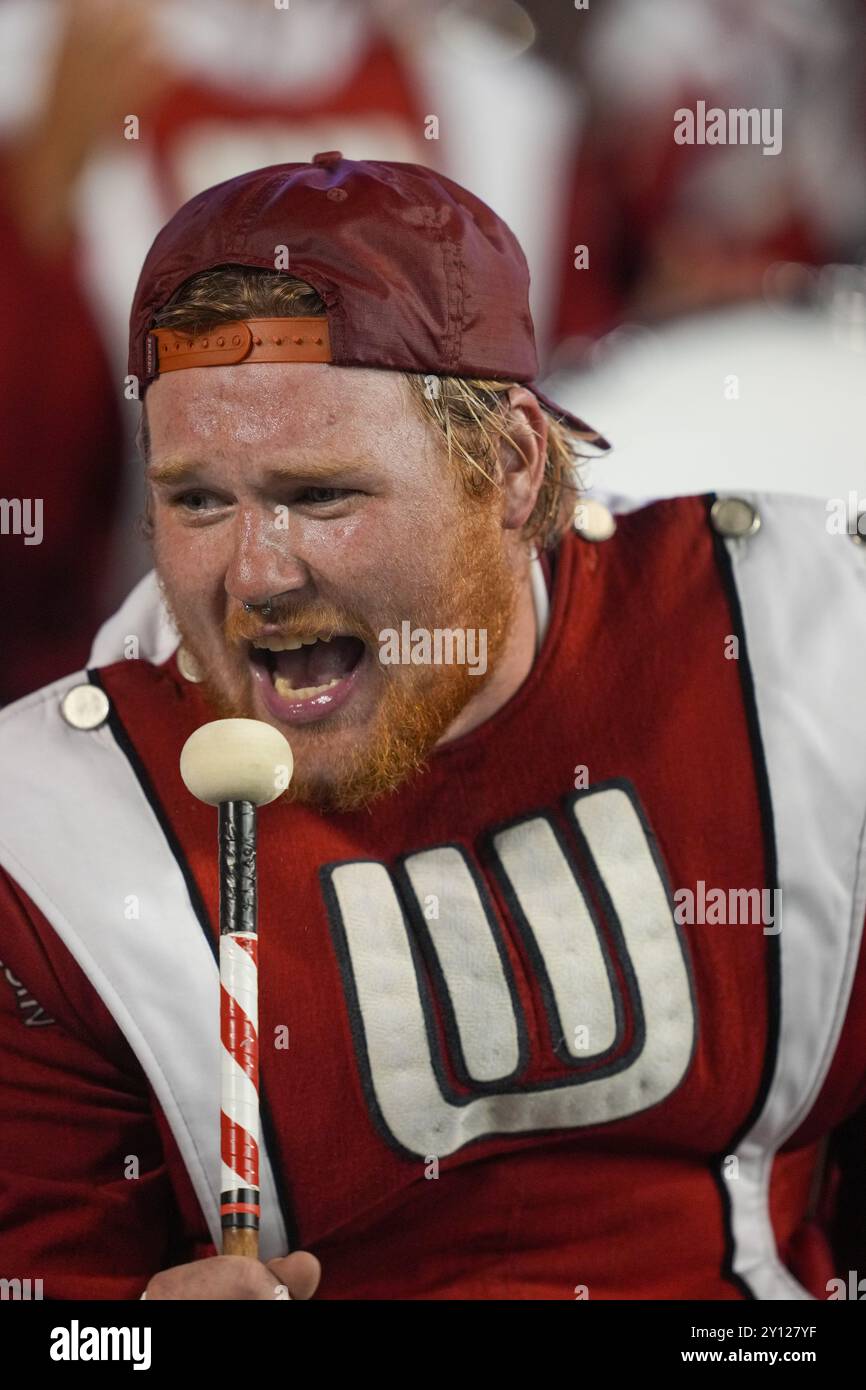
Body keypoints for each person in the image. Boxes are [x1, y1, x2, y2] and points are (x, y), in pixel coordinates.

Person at [0, 154, 864, 1302]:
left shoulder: (803, 642)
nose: (252, 576)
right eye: (197, 498)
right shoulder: (54, 835)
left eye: (320, 495)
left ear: (507, 466)